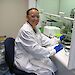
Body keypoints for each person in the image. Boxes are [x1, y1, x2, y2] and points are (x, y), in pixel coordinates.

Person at [14, 8, 66, 75]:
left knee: (51, 66)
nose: (36, 19)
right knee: (48, 72)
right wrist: (53, 51)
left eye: (37, 17)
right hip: (25, 60)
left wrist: (58, 40)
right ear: (27, 17)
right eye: (33, 16)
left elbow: (44, 40)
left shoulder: (35, 28)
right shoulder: (25, 30)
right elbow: (35, 50)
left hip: (32, 56)